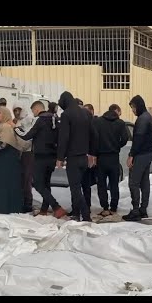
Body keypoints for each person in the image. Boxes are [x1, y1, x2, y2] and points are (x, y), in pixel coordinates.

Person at [15, 101, 66, 219]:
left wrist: (16, 128)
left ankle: (56, 207)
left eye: (33, 111)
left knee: (37, 184)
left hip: (40, 157)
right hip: (52, 157)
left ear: (37, 109)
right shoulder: (55, 120)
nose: (33, 114)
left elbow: (27, 135)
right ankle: (44, 209)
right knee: (46, 183)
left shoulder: (40, 120)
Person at [57, 92, 97, 222]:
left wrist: (60, 157)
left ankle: (85, 216)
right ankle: (78, 213)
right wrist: (91, 153)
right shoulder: (86, 113)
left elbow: (64, 137)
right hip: (84, 157)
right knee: (83, 187)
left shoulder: (66, 115)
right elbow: (94, 134)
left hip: (73, 157)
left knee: (75, 189)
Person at [122, 95, 152, 221]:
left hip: (140, 155)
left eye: (133, 107)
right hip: (148, 154)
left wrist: (131, 155)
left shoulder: (142, 120)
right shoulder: (149, 117)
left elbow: (138, 139)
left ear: (138, 106)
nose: (133, 110)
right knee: (145, 182)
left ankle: (135, 210)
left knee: (134, 183)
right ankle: (143, 209)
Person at [94, 104, 129, 216]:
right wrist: (117, 146)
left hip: (101, 157)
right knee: (114, 183)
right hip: (114, 157)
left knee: (102, 184)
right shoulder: (120, 123)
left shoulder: (98, 122)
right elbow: (125, 138)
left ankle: (104, 207)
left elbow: (94, 138)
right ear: (117, 111)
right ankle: (113, 208)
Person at [13, 104, 34, 213]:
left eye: (18, 110)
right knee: (21, 179)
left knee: (26, 179)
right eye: (15, 110)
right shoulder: (16, 121)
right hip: (20, 152)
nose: (17, 112)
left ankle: (28, 204)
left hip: (28, 152)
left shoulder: (28, 119)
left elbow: (27, 137)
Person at [82, 103, 98, 208]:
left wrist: (93, 155)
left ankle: (86, 205)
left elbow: (95, 139)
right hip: (83, 156)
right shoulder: (82, 123)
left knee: (87, 183)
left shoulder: (94, 123)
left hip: (90, 156)